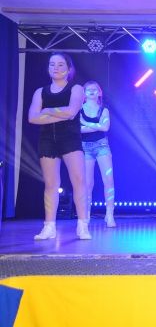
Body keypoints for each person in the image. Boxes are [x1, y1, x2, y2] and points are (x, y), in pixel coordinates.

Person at [28, 53, 91, 240]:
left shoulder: (76, 89)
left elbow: (71, 112)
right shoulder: (40, 92)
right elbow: (32, 117)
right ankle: (49, 226)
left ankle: (82, 225)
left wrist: (47, 111)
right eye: (52, 64)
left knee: (79, 180)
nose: (55, 67)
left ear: (69, 69)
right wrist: (59, 114)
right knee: (50, 184)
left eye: (60, 64)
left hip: (70, 138)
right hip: (47, 139)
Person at [80, 81, 116, 228]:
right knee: (87, 183)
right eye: (88, 89)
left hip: (102, 146)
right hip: (84, 147)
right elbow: (78, 129)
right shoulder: (79, 109)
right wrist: (96, 126)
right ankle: (86, 215)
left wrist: (85, 122)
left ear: (99, 92)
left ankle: (109, 214)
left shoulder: (104, 110)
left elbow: (105, 127)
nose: (91, 91)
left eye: (94, 89)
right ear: (84, 92)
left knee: (109, 180)